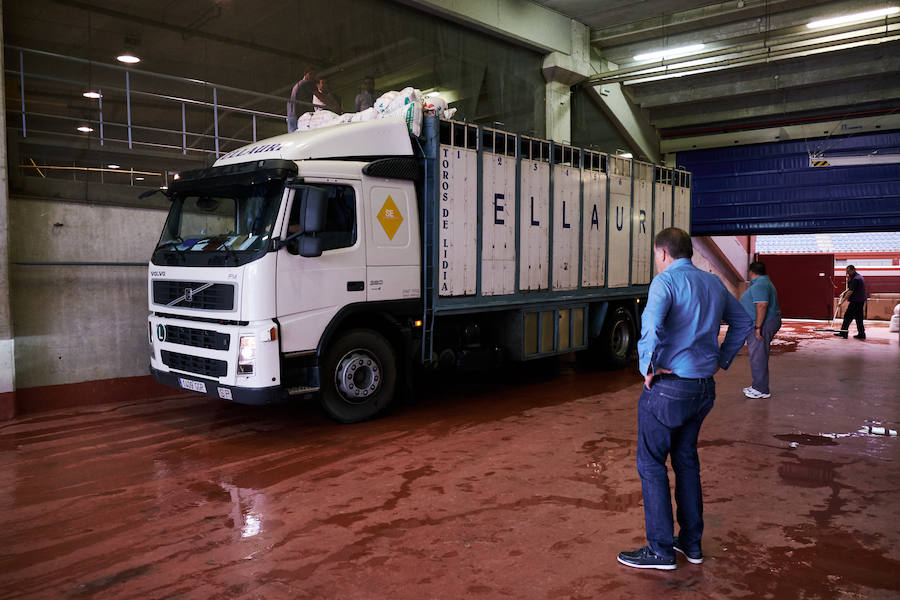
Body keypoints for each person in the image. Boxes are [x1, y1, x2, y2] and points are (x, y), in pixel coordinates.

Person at [617, 227, 752, 571]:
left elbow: (651, 322)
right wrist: (721, 359)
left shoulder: (664, 282)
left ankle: (660, 550)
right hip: (703, 389)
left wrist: (646, 367)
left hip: (669, 388)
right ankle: (691, 544)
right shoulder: (713, 283)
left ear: (662, 254)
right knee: (686, 462)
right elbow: (744, 322)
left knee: (650, 464)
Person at [740, 261, 782, 399]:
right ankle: (759, 385)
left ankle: (761, 389)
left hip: (763, 324)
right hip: (763, 323)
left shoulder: (760, 284)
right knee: (758, 355)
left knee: (758, 356)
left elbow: (762, 305)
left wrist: (758, 327)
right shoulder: (762, 283)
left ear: (751, 272)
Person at [836, 265, 867, 339]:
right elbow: (850, 288)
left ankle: (843, 332)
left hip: (855, 302)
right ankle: (861, 334)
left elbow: (850, 291)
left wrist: (842, 302)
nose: (847, 273)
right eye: (846, 271)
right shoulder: (859, 277)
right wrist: (843, 293)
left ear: (853, 270)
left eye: (848, 271)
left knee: (847, 316)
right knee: (859, 318)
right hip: (860, 301)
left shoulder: (855, 279)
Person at [287, 67, 317, 132]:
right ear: (305, 74)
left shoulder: (298, 84)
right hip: (299, 115)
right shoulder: (306, 83)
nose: (313, 76)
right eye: (311, 74)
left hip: (291, 114)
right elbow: (319, 95)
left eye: (314, 75)